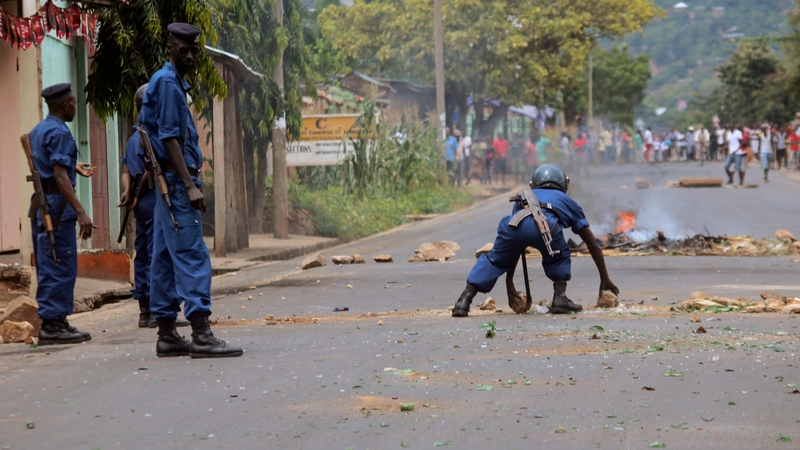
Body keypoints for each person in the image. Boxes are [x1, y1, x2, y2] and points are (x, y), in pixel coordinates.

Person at [139, 23, 242, 358]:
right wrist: (188, 184)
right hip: (177, 186)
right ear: (170, 48)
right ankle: (201, 333)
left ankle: (167, 334)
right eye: (184, 50)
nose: (191, 56)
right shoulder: (168, 83)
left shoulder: (166, 81)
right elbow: (168, 137)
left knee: (165, 259)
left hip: (166, 183)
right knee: (191, 254)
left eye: (194, 50)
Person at [451, 164, 619, 317]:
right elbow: (592, 244)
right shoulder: (568, 201)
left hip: (511, 227)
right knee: (559, 253)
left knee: (495, 259)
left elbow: (515, 247)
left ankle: (463, 300)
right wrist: (605, 277)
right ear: (563, 184)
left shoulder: (524, 197)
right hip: (548, 227)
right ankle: (560, 297)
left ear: (534, 184)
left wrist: (509, 282)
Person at [119, 84, 189, 329]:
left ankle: (144, 311)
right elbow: (152, 169)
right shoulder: (151, 135)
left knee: (144, 254)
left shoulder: (132, 138)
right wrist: (137, 192)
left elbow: (127, 170)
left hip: (140, 203)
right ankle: (157, 311)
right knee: (157, 256)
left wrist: (128, 191)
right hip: (151, 200)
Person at [28, 83, 94, 345]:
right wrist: (81, 211)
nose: (76, 108)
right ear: (65, 105)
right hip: (57, 205)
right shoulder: (61, 133)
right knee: (60, 262)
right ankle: (53, 325)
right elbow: (58, 175)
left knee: (48, 261)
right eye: (74, 103)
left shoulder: (38, 130)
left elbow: (49, 164)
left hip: (41, 203)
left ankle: (56, 320)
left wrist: (72, 165)